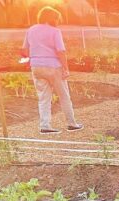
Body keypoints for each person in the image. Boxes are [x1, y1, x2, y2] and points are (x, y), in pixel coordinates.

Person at [20, 6, 83, 134]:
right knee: (64, 96)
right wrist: (66, 68)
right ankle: (72, 123)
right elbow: (61, 51)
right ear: (53, 18)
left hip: (36, 66)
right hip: (53, 67)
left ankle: (45, 126)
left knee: (43, 98)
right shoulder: (55, 31)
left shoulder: (31, 30)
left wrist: (31, 60)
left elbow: (24, 50)